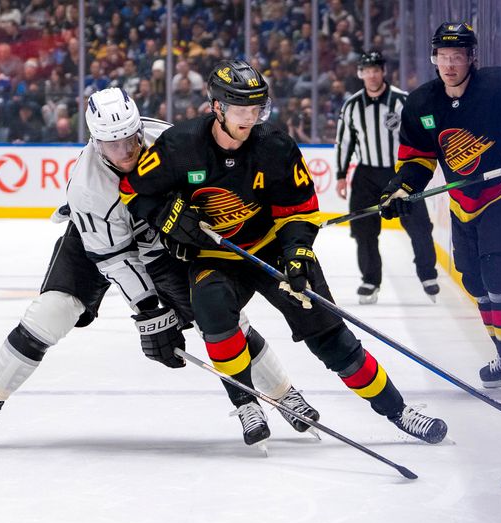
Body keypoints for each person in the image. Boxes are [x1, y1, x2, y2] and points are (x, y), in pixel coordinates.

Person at [0, 88, 319, 447]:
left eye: (130, 139)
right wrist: (150, 313)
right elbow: (115, 260)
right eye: (113, 144)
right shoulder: (87, 188)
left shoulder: (164, 138)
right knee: (50, 313)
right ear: (95, 142)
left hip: (161, 244)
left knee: (224, 319)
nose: (126, 151)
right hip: (94, 242)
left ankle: (285, 395)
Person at [120, 60, 448, 446]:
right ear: (217, 108)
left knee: (331, 337)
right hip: (215, 256)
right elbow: (133, 190)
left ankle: (399, 411)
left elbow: (301, 208)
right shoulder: (180, 145)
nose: (251, 118)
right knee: (212, 309)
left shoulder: (273, 144)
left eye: (257, 109)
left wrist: (297, 252)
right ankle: (246, 403)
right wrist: (166, 216)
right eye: (242, 110)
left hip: (271, 249)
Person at [379, 23, 501, 393]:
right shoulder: (421, 104)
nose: (449, 65)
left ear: (471, 58)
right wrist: (401, 188)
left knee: (498, 268)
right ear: (434, 59)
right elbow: (418, 159)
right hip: (464, 205)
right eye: (443, 57)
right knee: (476, 280)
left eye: (457, 57)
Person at [335, 51, 439, 304]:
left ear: (383, 72)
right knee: (363, 230)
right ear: (361, 74)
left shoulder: (404, 101)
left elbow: (421, 132)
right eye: (367, 70)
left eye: (376, 69)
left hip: (400, 173)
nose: (372, 74)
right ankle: (370, 280)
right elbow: (344, 142)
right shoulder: (351, 106)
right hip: (366, 174)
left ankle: (428, 274)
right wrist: (340, 175)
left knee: (419, 226)